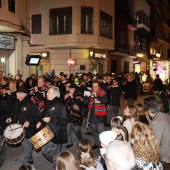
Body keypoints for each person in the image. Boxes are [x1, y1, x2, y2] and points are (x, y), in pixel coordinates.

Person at [6, 86, 40, 164]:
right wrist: (11, 119)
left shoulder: (30, 105)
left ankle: (24, 165)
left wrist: (29, 121)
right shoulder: (16, 104)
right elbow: (14, 115)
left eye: (18, 93)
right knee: (25, 146)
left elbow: (36, 116)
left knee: (27, 146)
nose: (16, 94)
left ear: (24, 94)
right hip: (19, 129)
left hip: (28, 130)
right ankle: (30, 160)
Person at [36, 86, 67, 168]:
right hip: (46, 132)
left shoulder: (61, 105)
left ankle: (57, 165)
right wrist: (40, 121)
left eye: (49, 92)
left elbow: (63, 121)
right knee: (44, 151)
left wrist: (51, 119)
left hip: (56, 133)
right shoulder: (48, 103)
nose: (47, 93)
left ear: (55, 94)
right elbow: (44, 115)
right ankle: (57, 162)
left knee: (56, 153)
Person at [146, 101, 170, 170]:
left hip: (165, 154)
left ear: (149, 111)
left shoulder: (156, 122)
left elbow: (155, 143)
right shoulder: (166, 115)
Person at [88, 81, 108, 150]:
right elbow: (87, 103)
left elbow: (105, 101)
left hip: (100, 114)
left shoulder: (102, 92)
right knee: (94, 130)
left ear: (99, 87)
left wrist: (96, 96)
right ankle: (96, 143)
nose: (94, 88)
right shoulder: (91, 92)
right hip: (93, 114)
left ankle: (102, 144)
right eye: (93, 86)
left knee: (101, 131)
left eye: (96, 86)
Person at [64, 83, 83, 148]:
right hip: (69, 114)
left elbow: (78, 103)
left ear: (74, 89)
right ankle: (70, 143)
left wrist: (72, 97)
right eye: (69, 88)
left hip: (76, 115)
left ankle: (81, 142)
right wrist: (65, 98)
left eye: (71, 88)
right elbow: (66, 104)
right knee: (68, 129)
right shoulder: (67, 94)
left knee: (77, 130)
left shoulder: (78, 94)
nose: (70, 89)